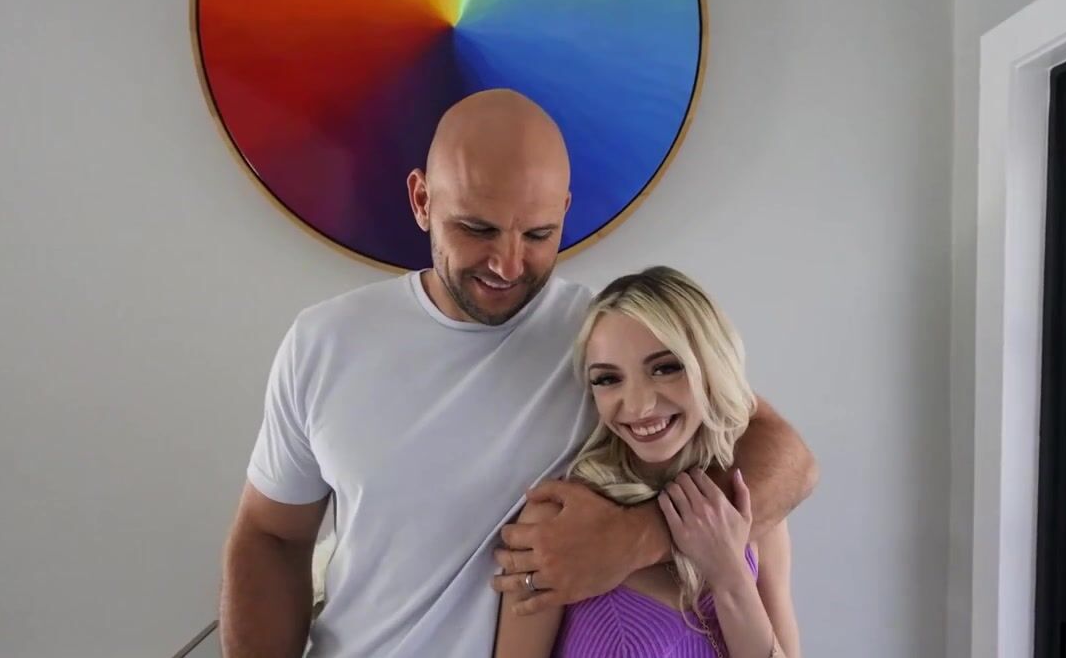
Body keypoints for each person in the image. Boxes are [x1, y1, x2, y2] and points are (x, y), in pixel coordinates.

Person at [218, 88, 818, 657]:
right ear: (423, 201)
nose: (507, 264)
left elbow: (787, 458)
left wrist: (637, 538)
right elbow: (272, 536)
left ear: (564, 212)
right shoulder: (325, 342)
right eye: (476, 229)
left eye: (538, 234)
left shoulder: (605, 346)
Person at [494, 266, 803, 657]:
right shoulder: (556, 519)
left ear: (711, 366)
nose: (639, 406)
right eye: (608, 379)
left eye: (665, 368)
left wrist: (730, 576)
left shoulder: (748, 505)